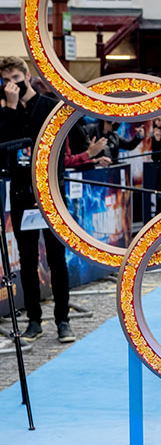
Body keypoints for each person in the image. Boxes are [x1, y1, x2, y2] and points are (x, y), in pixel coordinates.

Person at [0, 56, 107, 343]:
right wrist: (10, 109)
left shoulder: (50, 107)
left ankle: (62, 320)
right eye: (5, 81)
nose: (11, 85)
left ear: (27, 76)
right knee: (27, 260)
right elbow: (6, 149)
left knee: (57, 258)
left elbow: (69, 148)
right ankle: (34, 320)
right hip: (21, 193)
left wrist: (88, 157)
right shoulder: (7, 111)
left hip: (51, 193)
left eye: (15, 79)